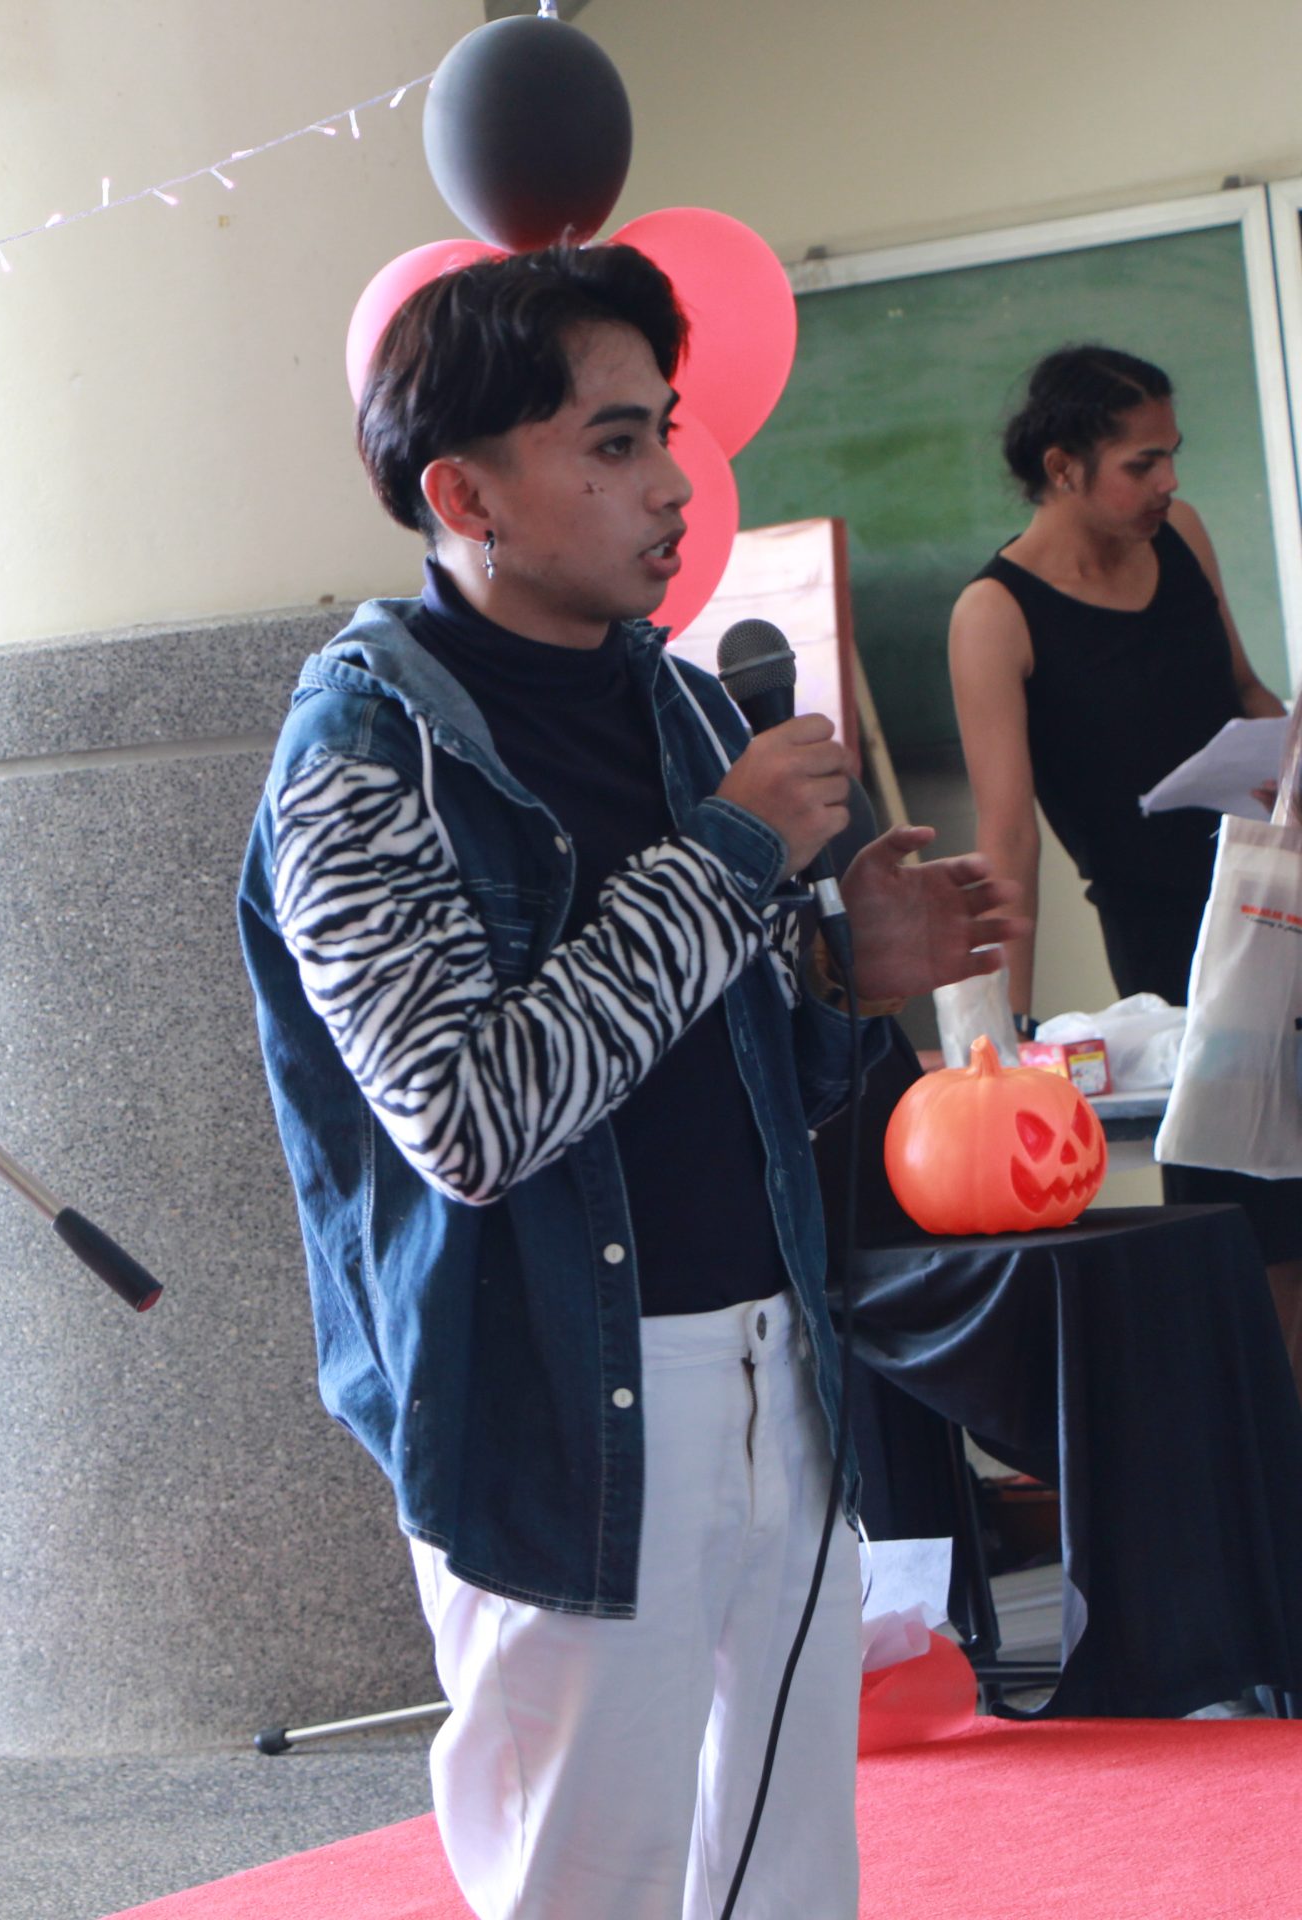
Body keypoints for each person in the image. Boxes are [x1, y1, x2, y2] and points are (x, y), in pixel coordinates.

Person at [236, 245, 1023, 1920]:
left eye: (663, 429)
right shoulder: (364, 758)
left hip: (774, 1359)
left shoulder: (675, 703)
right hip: (557, 1401)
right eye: (612, 444)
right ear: (465, 494)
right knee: (586, 1890)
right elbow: (474, 1118)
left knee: (787, 1882)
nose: (674, 484)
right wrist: (734, 857)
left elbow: (727, 1060)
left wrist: (842, 978)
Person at [948, 344, 1302, 1378]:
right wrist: (1004, 1034)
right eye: (1142, 464)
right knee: (1247, 1215)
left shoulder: (1180, 535)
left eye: (1171, 456)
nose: (1168, 483)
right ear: (1062, 468)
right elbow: (1007, 834)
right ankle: (1268, 1445)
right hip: (1168, 939)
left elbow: (1244, 691)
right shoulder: (994, 614)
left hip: (1274, 888)